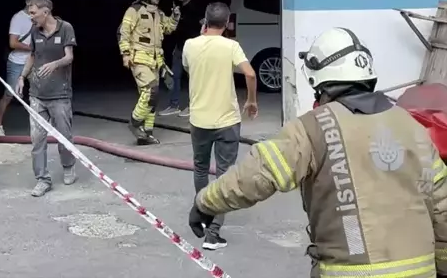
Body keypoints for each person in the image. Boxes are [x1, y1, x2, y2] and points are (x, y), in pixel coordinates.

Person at [188, 27, 447, 276]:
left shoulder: (313, 127)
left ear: (321, 83)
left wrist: (206, 202)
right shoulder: (411, 126)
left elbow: (259, 172)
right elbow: (442, 208)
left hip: (350, 272)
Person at [182, 2, 258, 250]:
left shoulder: (190, 45)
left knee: (200, 169)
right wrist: (251, 101)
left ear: (205, 21)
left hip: (199, 120)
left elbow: (187, 67)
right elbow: (250, 74)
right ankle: (213, 234)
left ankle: (202, 214)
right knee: (224, 174)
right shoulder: (231, 46)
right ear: (227, 24)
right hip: (227, 121)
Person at [16, 0, 77, 197]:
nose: (31, 18)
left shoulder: (65, 28)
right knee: (37, 139)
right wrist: (22, 77)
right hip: (37, 94)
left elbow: (69, 57)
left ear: (46, 11)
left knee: (64, 137)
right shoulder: (35, 31)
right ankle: (42, 179)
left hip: (60, 94)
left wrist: (54, 64)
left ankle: (68, 167)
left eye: (33, 13)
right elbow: (32, 56)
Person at [117, 0, 181, 145]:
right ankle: (134, 123)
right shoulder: (134, 10)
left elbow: (168, 29)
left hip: (156, 61)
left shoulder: (158, 13)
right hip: (139, 59)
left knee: (153, 98)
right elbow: (123, 33)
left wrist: (175, 17)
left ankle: (146, 134)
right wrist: (125, 54)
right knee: (151, 91)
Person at [0, 0, 41, 136]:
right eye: (36, 2)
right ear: (28, 2)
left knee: (40, 94)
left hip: (35, 61)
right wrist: (32, 48)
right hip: (17, 62)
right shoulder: (18, 18)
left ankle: (41, 126)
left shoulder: (41, 17)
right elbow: (13, 43)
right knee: (9, 94)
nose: (38, 5)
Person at [159, 0, 203, 118]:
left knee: (193, 78)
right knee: (174, 76)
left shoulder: (196, 9)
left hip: (192, 48)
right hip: (179, 48)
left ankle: (193, 106)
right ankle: (174, 105)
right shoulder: (178, 9)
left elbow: (202, 28)